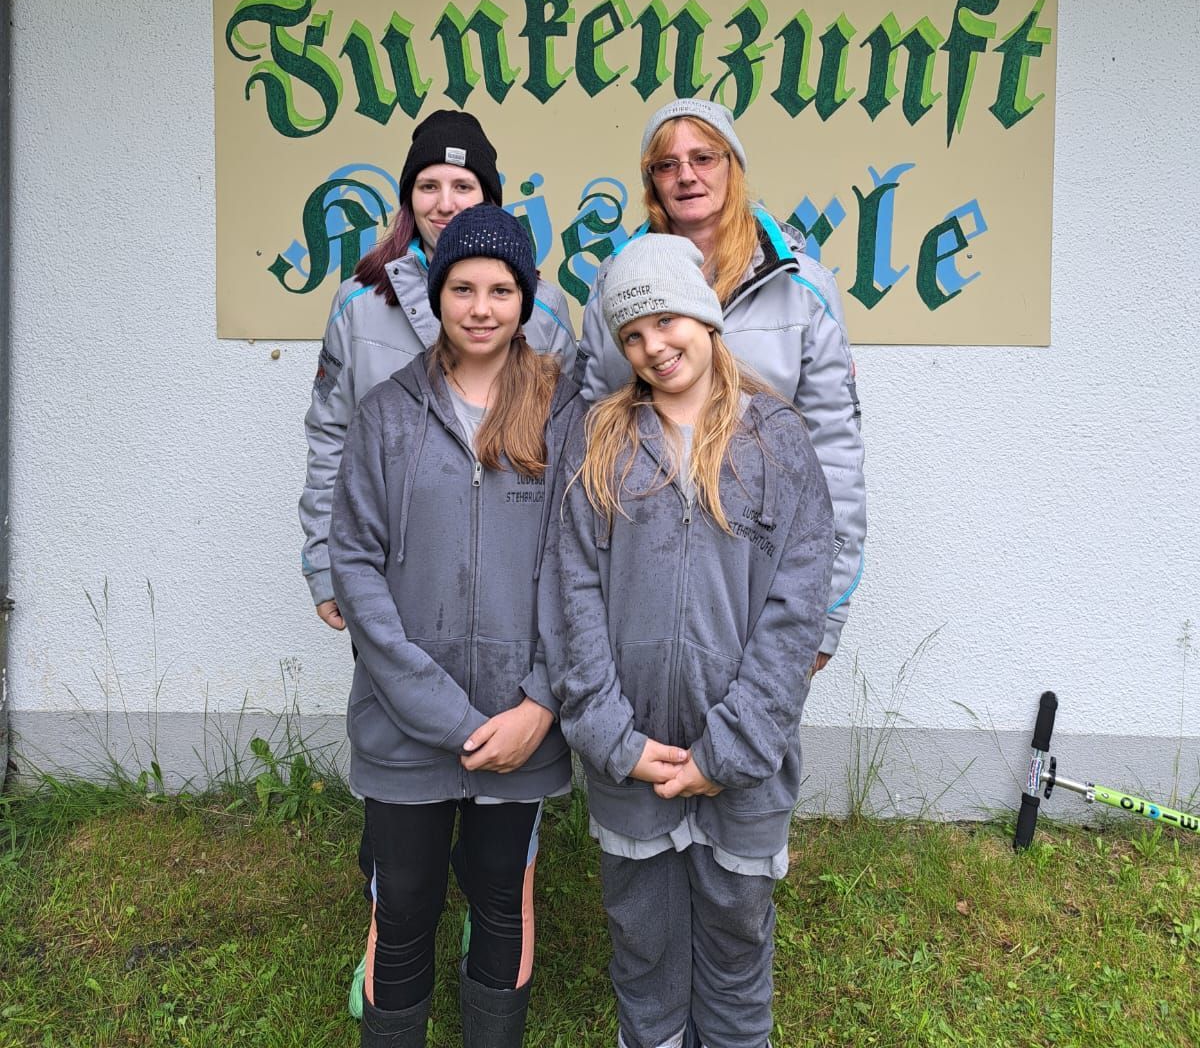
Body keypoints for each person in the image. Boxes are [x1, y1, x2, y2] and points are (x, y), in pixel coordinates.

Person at [549, 235, 834, 1048]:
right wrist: (613, 737)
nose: (654, 347)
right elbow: (571, 595)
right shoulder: (600, 440)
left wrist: (729, 748)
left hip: (743, 763)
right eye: (633, 335)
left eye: (667, 321)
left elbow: (796, 609)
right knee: (641, 938)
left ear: (706, 318)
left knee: (736, 935)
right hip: (632, 754)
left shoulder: (777, 440)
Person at [330, 204, 581, 1048]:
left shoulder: (563, 413)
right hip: (404, 723)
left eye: (500, 290)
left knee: (501, 896)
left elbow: (583, 569)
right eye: (462, 288)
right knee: (404, 901)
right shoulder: (387, 414)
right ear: (436, 295)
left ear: (525, 299)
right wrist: (440, 712)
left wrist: (540, 703)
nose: (481, 307)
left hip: (522, 721)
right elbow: (355, 561)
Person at [575, 97, 863, 670]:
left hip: (759, 571)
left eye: (703, 157)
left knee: (754, 715)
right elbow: (589, 431)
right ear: (651, 182)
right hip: (642, 574)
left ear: (733, 164)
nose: (686, 175)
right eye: (667, 164)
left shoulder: (801, 287)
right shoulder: (614, 284)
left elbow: (835, 452)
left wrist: (823, 611)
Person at [300, 108, 576, 625]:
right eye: (428, 186)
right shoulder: (357, 303)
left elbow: (569, 452)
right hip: (391, 573)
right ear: (408, 197)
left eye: (463, 186)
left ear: (489, 198)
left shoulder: (544, 308)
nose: (445, 204)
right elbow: (331, 437)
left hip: (511, 585)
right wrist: (324, 562)